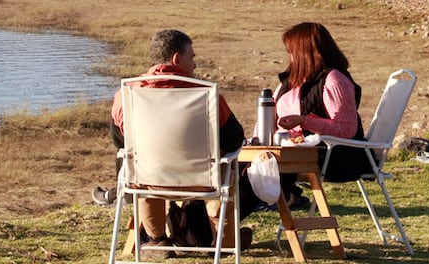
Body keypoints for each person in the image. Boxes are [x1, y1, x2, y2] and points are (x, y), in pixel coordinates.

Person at [91, 29, 252, 251]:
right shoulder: (207, 95)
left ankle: (157, 239)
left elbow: (120, 142)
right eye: (192, 57)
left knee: (142, 166)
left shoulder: (126, 95)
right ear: (177, 59)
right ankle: (225, 242)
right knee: (225, 166)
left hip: (149, 179)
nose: (195, 64)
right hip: (202, 181)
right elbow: (235, 139)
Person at [271, 22, 373, 204]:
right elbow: (271, 116)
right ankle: (279, 198)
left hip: (336, 155)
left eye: (291, 50)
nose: (289, 56)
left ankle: (277, 199)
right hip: (295, 150)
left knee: (269, 164)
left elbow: (347, 129)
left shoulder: (334, 80)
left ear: (304, 52)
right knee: (249, 163)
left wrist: (303, 121)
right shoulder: (288, 82)